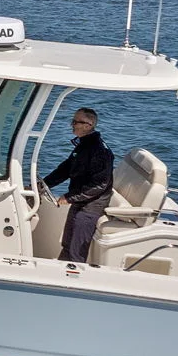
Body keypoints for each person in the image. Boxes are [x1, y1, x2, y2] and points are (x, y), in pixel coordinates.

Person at [44, 106, 113, 264]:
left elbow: (99, 185)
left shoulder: (99, 151)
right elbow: (66, 169)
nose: (72, 124)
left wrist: (70, 197)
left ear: (89, 125)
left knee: (76, 252)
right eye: (72, 121)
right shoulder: (84, 145)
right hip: (80, 200)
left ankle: (71, 278)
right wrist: (44, 184)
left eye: (76, 122)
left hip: (90, 206)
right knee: (67, 245)